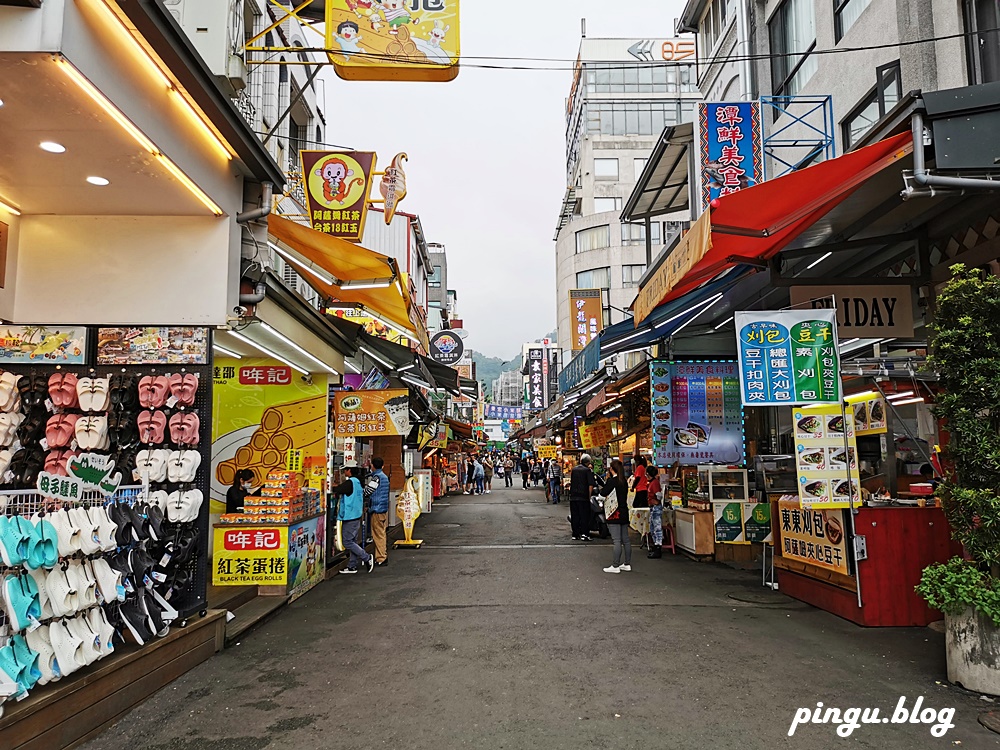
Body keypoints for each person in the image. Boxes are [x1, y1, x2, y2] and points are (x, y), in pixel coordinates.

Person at [332, 465, 374, 574]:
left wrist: (332, 486)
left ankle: (367, 557)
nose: (344, 472)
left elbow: (338, 490)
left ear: (349, 470)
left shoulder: (350, 482)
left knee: (347, 541)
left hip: (350, 515)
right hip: (356, 514)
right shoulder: (359, 482)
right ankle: (352, 566)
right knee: (353, 541)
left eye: (345, 470)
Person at [599, 459, 631, 573]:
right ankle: (627, 564)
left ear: (612, 469)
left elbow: (602, 494)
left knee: (616, 540)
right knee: (626, 540)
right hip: (624, 512)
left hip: (614, 513)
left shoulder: (612, 481)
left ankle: (615, 565)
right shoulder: (624, 481)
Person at [367, 457, 391, 566]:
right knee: (381, 533)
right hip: (383, 508)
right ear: (383, 466)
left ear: (372, 466)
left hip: (377, 509)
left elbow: (368, 491)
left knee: (378, 534)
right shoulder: (385, 477)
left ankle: (381, 558)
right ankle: (380, 556)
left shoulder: (376, 478)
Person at [569, 454, 596, 541]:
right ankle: (585, 534)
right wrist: (589, 496)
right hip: (583, 497)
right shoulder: (587, 470)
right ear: (588, 462)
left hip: (573, 496)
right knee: (584, 516)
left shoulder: (574, 469)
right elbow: (590, 485)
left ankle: (575, 534)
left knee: (575, 516)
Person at [646, 465, 664, 558]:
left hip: (656, 507)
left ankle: (658, 548)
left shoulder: (655, 483)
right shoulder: (652, 482)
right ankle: (655, 546)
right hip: (653, 507)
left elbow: (659, 495)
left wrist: (655, 500)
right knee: (653, 528)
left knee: (657, 528)